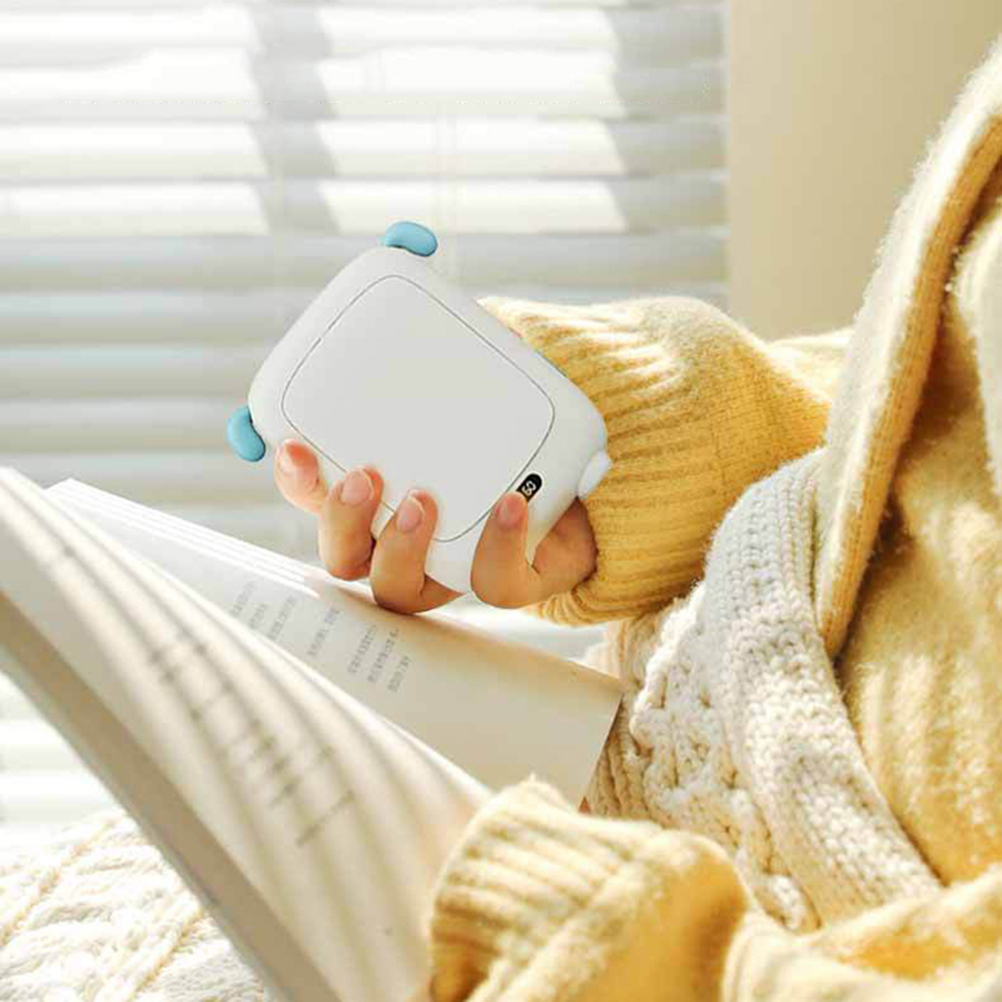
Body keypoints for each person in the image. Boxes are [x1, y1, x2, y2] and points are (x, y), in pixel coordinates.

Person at [272, 40, 1002, 1002]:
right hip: (665, 738)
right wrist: (634, 421)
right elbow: (923, 401)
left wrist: (649, 949)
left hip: (751, 898)